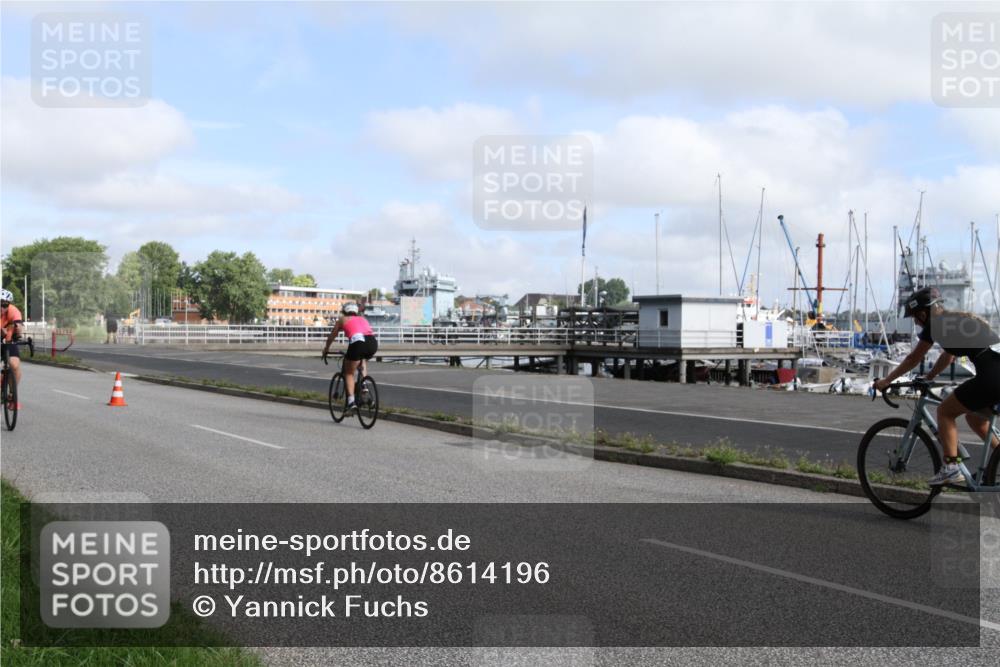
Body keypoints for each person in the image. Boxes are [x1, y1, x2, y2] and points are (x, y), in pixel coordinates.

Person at [874, 287, 1000, 485]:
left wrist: (886, 381)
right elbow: (948, 356)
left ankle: (950, 468)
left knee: (945, 412)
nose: (916, 323)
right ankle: (996, 463)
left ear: (923, 314)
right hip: (995, 374)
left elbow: (913, 357)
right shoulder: (952, 322)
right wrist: (930, 376)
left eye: (915, 318)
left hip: (992, 377)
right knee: (975, 418)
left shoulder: (935, 326)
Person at [322, 303, 378, 412]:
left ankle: (351, 402)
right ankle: (364, 385)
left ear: (344, 312)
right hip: (372, 343)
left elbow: (332, 336)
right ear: (356, 312)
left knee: (349, 373)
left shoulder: (342, 319)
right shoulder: (363, 319)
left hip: (358, 343)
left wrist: (326, 349)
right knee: (362, 359)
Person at [1, 289, 25, 405]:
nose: (2, 307)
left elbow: (19, 325)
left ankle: (12, 394)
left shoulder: (13, 310)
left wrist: (18, 330)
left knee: (15, 365)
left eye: (5, 305)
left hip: (9, 339)